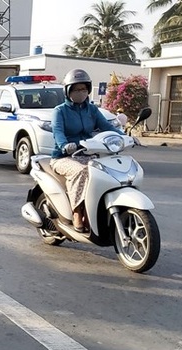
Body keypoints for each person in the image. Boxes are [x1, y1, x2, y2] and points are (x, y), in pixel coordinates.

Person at [51, 69, 125, 233]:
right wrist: (65, 145)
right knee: (82, 171)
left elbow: (106, 126)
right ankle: (77, 211)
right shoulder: (59, 111)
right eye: (76, 89)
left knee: (108, 172)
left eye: (84, 89)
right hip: (64, 157)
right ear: (68, 91)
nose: (81, 93)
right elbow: (58, 132)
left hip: (88, 153)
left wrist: (125, 137)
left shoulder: (91, 109)